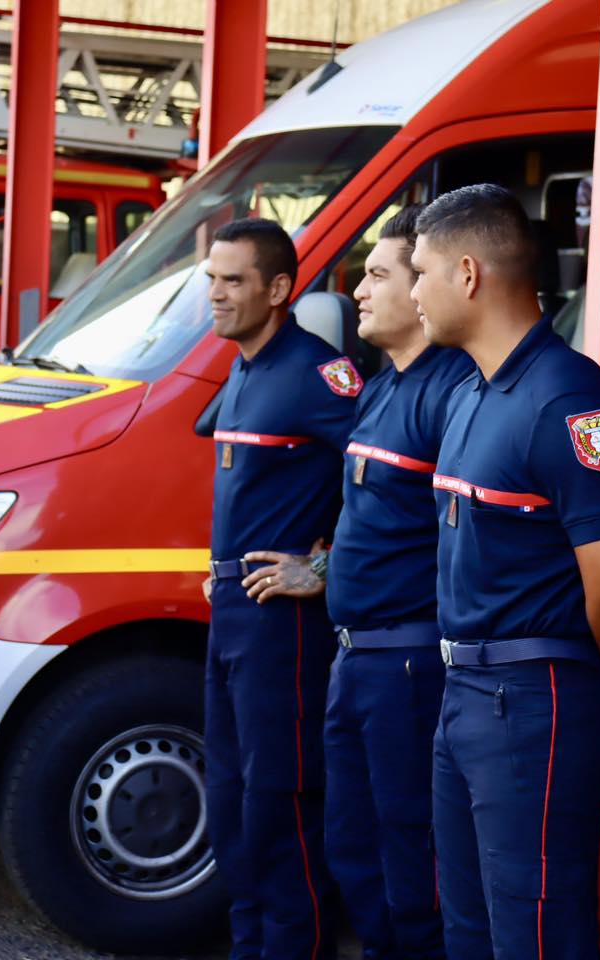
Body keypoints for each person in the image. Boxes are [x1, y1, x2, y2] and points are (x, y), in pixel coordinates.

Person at [411, 184, 600, 959]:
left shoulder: (567, 398)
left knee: (536, 936)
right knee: (470, 931)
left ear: (467, 273)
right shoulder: (471, 391)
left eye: (419, 272)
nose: (412, 288)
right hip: (465, 695)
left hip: (535, 703)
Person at [241, 205, 471, 960]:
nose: (358, 292)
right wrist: (324, 570)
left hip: (409, 666)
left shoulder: (450, 396)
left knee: (414, 868)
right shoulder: (378, 388)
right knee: (354, 853)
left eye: (377, 275)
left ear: (425, 288)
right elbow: (365, 518)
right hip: (355, 660)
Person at [203, 217, 360, 959]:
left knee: (282, 810)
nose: (217, 295)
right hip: (235, 610)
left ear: (278, 289)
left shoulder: (319, 373)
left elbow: (393, 480)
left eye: (233, 281)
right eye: (212, 278)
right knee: (231, 807)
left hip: (284, 626)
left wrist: (325, 570)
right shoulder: (241, 366)